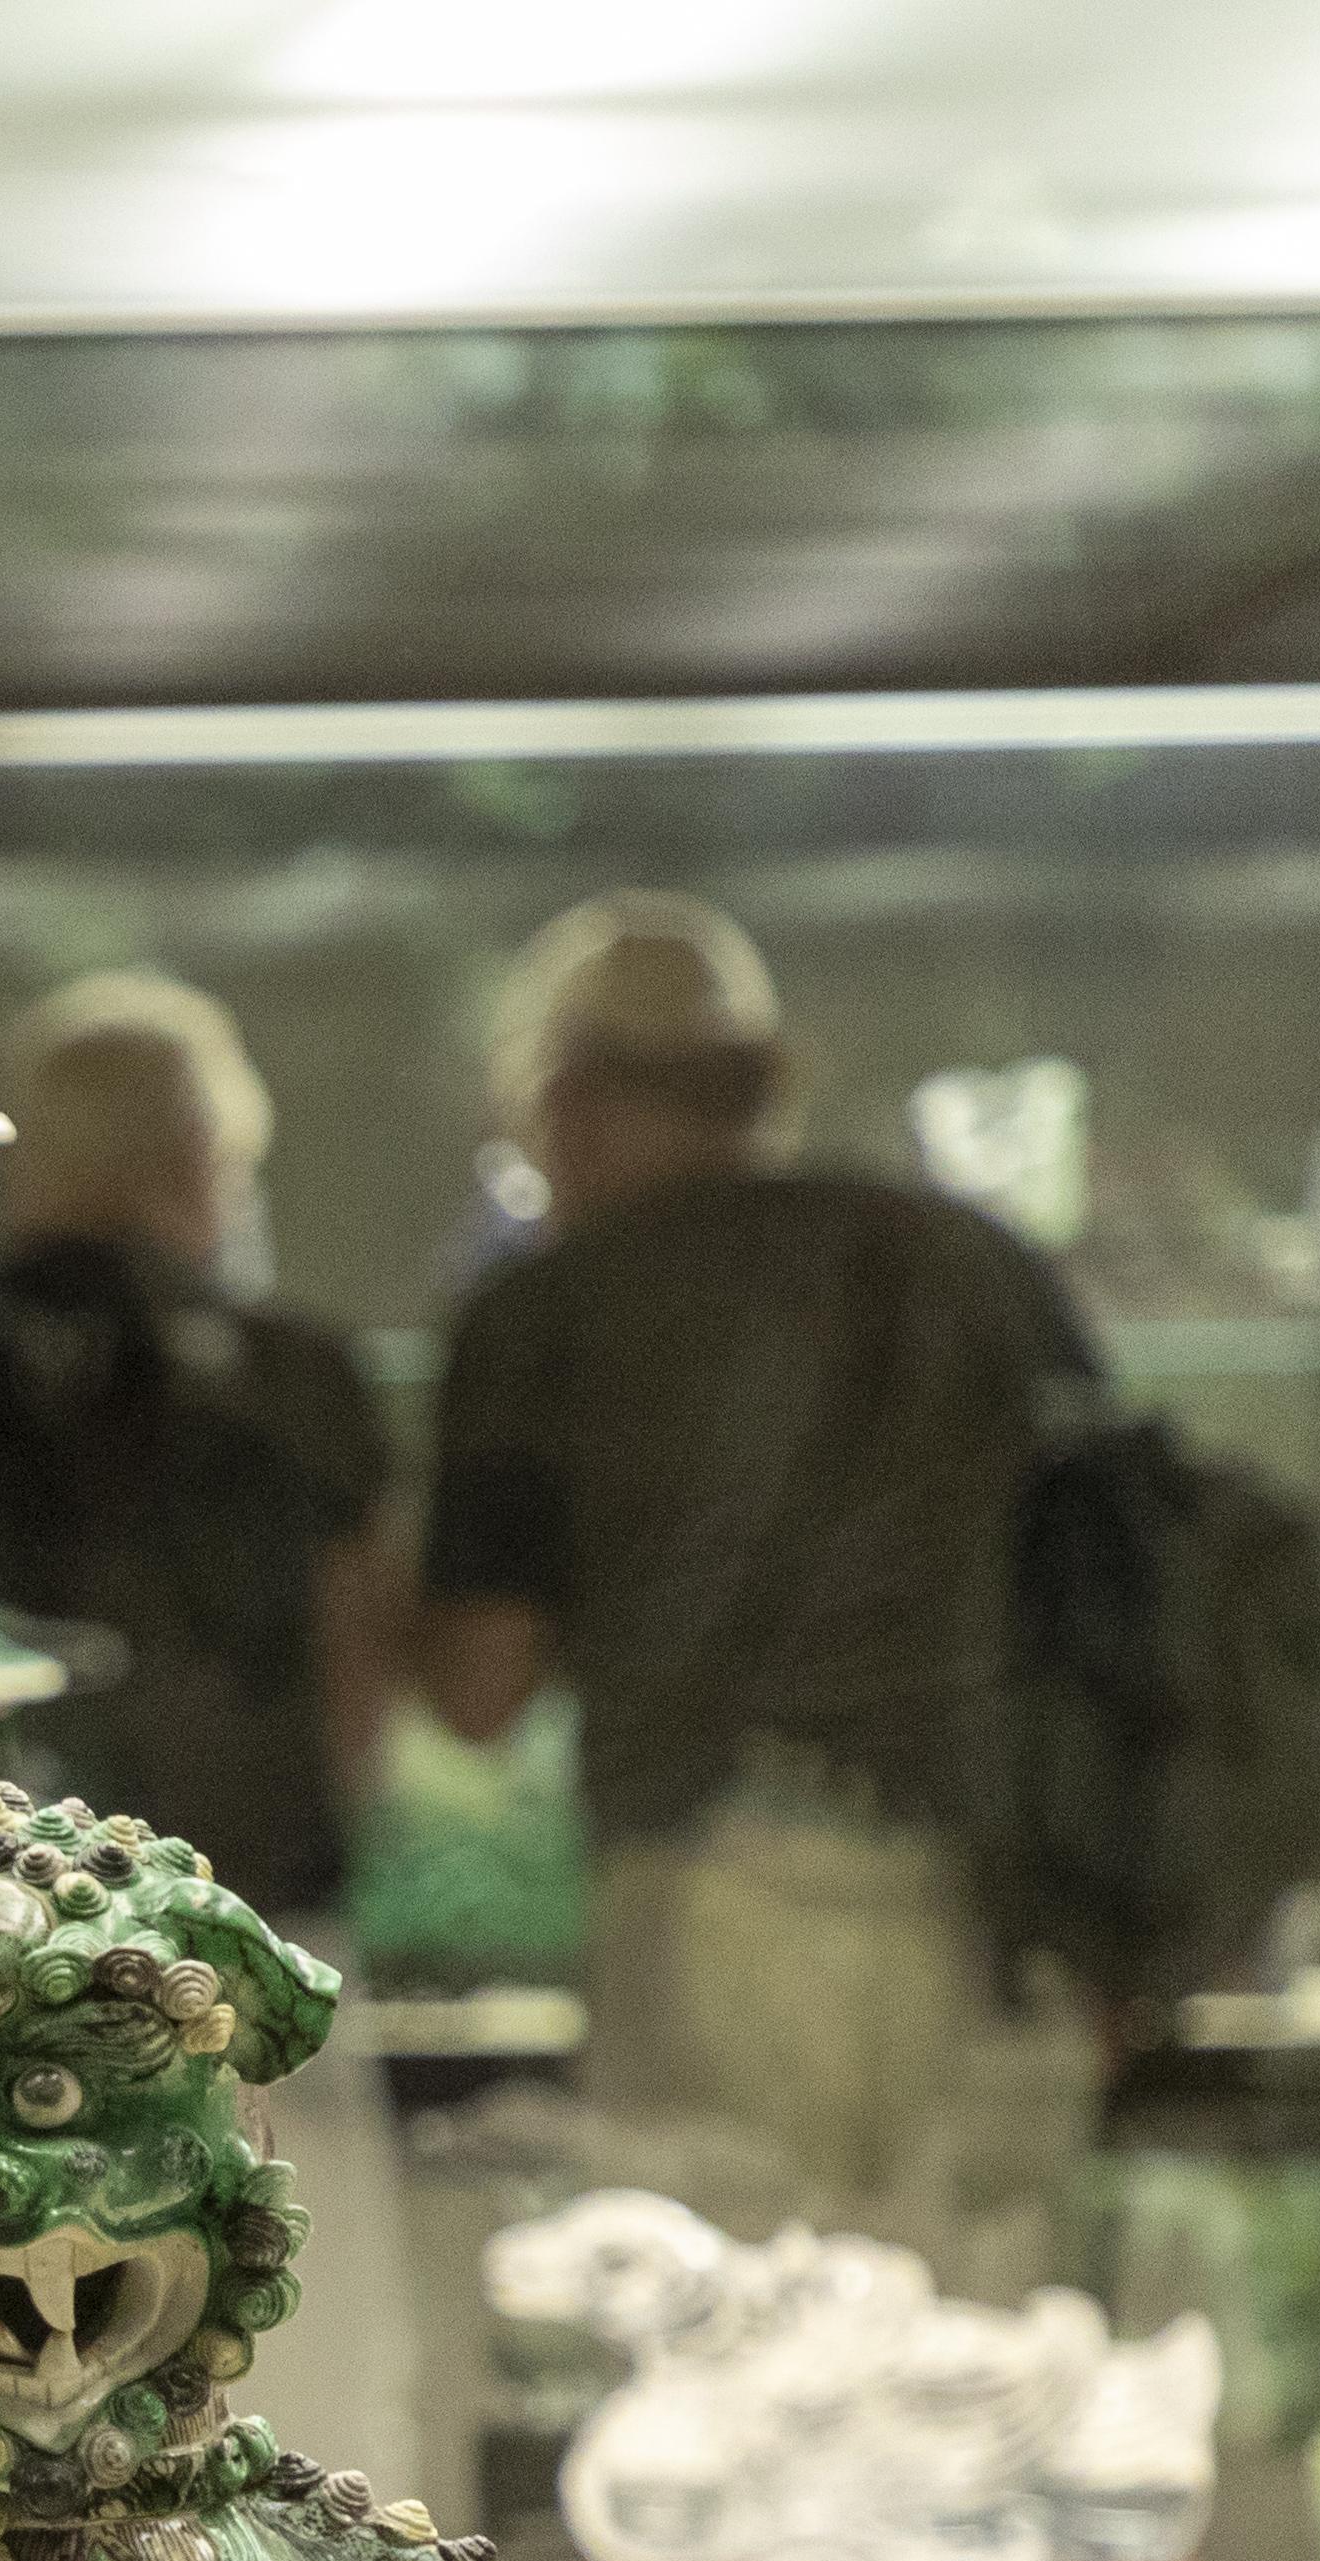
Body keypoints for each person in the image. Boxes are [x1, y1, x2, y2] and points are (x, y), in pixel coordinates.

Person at [414, 894, 1105, 2303]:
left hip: (707, 1898)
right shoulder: (978, 1265)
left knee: (723, 2361)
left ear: (563, 1101)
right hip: (989, 1917)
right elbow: (1115, 1591)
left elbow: (481, 1685)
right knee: (975, 2368)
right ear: (768, 1079)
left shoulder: (542, 1313)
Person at [0, 967, 419, 2487]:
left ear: (30, 1159)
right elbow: (360, 1666)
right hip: (260, 1945)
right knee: (311, 2386)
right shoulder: (297, 1376)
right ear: (206, 1162)